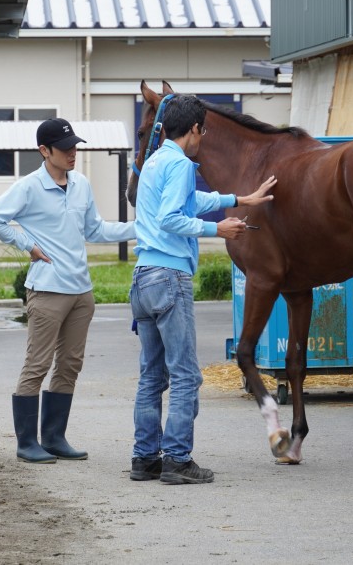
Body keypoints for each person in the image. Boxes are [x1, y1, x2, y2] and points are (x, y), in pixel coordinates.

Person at [129, 94, 277, 485]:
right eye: (203, 131)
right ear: (194, 129)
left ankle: (145, 459)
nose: (203, 138)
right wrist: (219, 228)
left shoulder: (156, 160)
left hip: (143, 277)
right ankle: (177, 459)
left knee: (151, 376)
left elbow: (189, 200)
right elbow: (172, 217)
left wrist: (238, 199)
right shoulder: (181, 163)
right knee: (185, 376)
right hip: (170, 276)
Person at [0, 118, 136, 464]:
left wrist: (140, 229)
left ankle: (53, 437)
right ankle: (26, 443)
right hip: (48, 291)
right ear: (44, 151)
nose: (72, 154)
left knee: (69, 365)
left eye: (74, 147)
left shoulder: (81, 185)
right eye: (64, 149)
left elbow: (95, 230)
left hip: (82, 292)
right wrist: (26, 244)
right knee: (37, 365)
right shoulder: (29, 187)